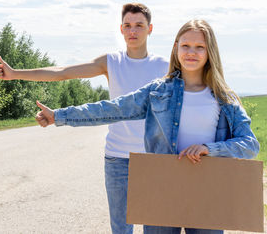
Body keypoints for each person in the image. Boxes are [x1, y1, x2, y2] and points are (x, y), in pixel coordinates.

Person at [34, 19, 259, 234]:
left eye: (199, 47)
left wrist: (209, 148)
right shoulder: (157, 91)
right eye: (186, 45)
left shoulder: (224, 98)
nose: (191, 52)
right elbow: (112, 108)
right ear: (176, 47)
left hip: (207, 191)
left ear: (210, 51)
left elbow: (250, 145)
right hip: (161, 188)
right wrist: (59, 116)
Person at [0, 3, 169, 233]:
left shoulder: (164, 66)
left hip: (152, 159)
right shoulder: (111, 62)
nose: (133, 31)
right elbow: (63, 72)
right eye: (128, 25)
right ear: (121, 29)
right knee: (121, 229)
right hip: (117, 159)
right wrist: (16, 74)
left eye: (139, 25)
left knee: (156, 228)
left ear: (150, 29)